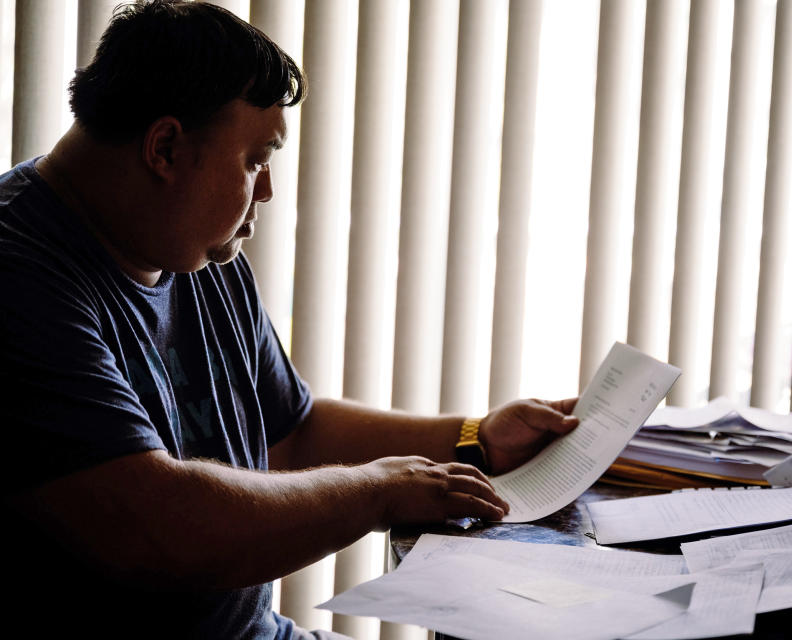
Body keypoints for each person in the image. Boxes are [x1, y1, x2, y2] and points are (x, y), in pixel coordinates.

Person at [0, 2, 579, 638]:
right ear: (164, 148)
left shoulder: (194, 249)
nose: (268, 189)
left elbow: (292, 432)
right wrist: (375, 492)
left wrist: (476, 439)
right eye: (255, 159)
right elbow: (156, 527)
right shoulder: (19, 274)